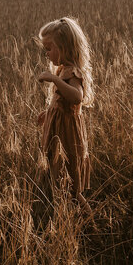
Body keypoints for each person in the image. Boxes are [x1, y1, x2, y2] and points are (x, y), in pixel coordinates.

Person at [36, 17, 95, 207]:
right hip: (57, 129)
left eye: (49, 48)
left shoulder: (72, 72)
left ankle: (90, 222)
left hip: (68, 134)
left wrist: (54, 79)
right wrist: (48, 113)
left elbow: (77, 97)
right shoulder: (62, 69)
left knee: (71, 184)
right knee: (58, 176)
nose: (47, 53)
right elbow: (61, 100)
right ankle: (66, 216)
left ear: (65, 47)